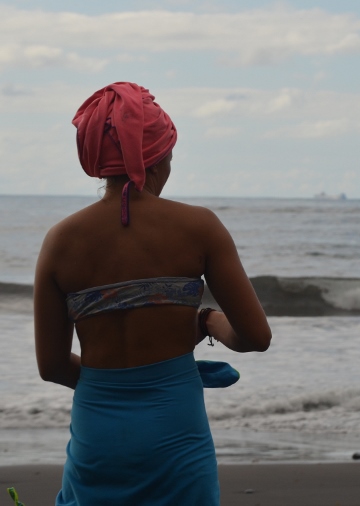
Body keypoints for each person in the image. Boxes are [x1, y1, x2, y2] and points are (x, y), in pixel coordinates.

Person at [34, 82, 272, 505]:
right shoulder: (199, 227)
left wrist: (114, 386)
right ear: (159, 159)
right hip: (175, 430)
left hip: (98, 433)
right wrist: (207, 321)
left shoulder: (60, 241)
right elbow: (255, 337)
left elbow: (51, 365)